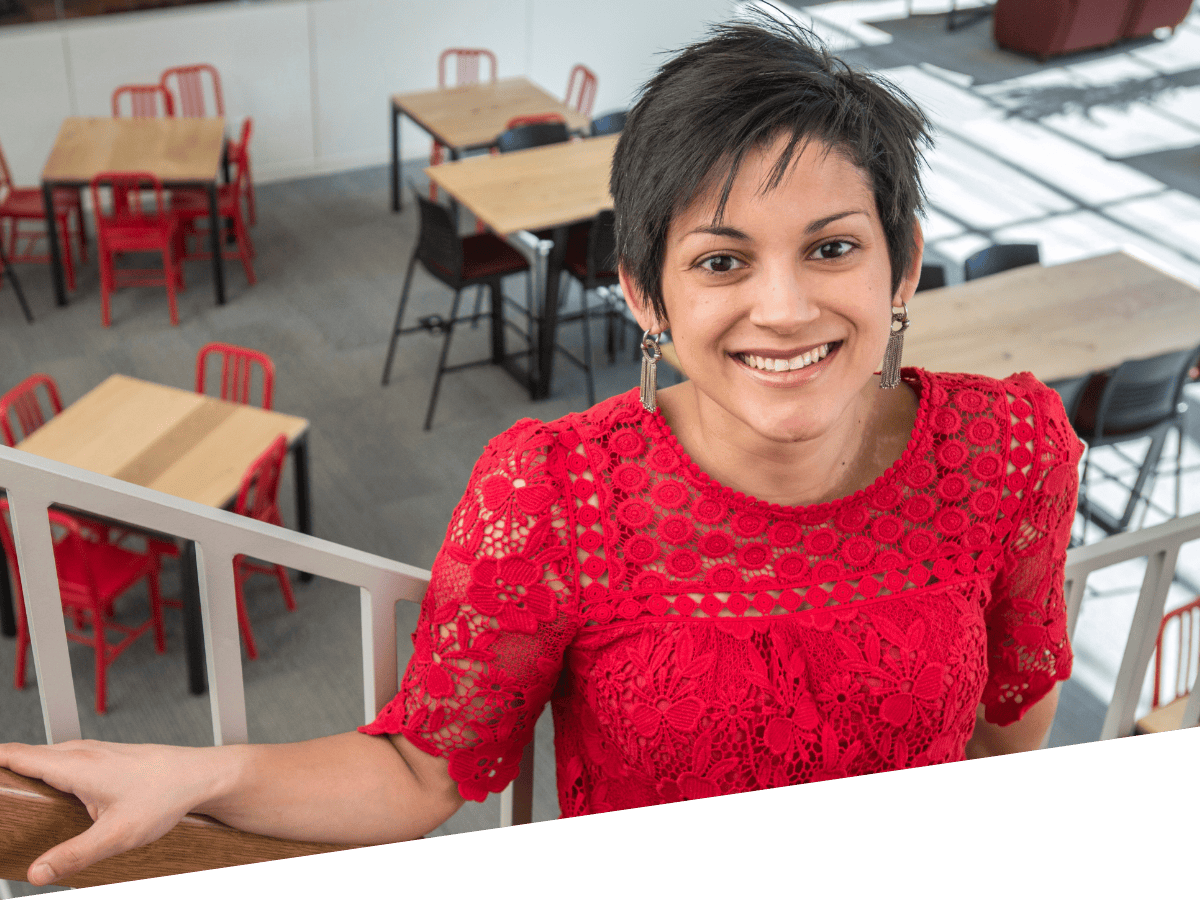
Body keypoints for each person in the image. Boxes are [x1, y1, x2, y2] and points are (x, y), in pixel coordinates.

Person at [0, 12, 1081, 886]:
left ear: (902, 272)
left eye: (833, 248)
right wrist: (201, 774)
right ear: (643, 296)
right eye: (721, 261)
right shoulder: (558, 491)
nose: (785, 306)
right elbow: (426, 767)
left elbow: (1005, 741)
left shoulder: (1008, 450)